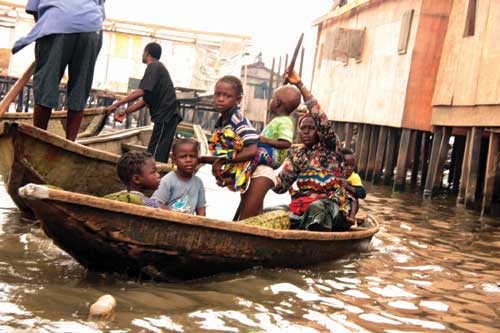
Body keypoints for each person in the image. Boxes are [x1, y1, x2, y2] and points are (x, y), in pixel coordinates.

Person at [12, 0, 105, 141]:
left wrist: (47, 30)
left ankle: (38, 139)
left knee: (46, 87)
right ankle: (70, 144)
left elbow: (34, 10)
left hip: (56, 23)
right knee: (79, 90)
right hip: (91, 27)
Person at [271, 70, 351, 231]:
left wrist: (300, 85)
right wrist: (263, 173)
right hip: (300, 207)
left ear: (319, 131)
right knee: (271, 214)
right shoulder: (296, 154)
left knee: (317, 210)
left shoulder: (331, 148)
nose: (306, 132)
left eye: (311, 128)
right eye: (303, 128)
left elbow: (321, 119)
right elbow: (281, 186)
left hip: (332, 208)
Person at [106, 42, 181, 163]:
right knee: (156, 149)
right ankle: (153, 174)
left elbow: (140, 92)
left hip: (166, 115)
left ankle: (152, 174)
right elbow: (144, 101)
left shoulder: (154, 67)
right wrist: (126, 111)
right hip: (166, 116)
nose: (142, 54)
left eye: (143, 52)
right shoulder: (157, 68)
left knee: (156, 151)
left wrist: (117, 104)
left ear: (147, 52)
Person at [152, 138, 206, 216]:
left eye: (192, 156)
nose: (188, 160)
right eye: (183, 157)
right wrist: (175, 216)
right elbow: (157, 203)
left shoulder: (198, 183)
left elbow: (201, 209)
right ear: (174, 160)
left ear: (197, 159)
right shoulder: (168, 180)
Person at [341, 148, 366, 222]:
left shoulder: (354, 177)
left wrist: (348, 187)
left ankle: (351, 217)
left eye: (351, 166)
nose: (349, 168)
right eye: (346, 165)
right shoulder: (334, 174)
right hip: (337, 201)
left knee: (354, 197)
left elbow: (362, 193)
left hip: (349, 205)